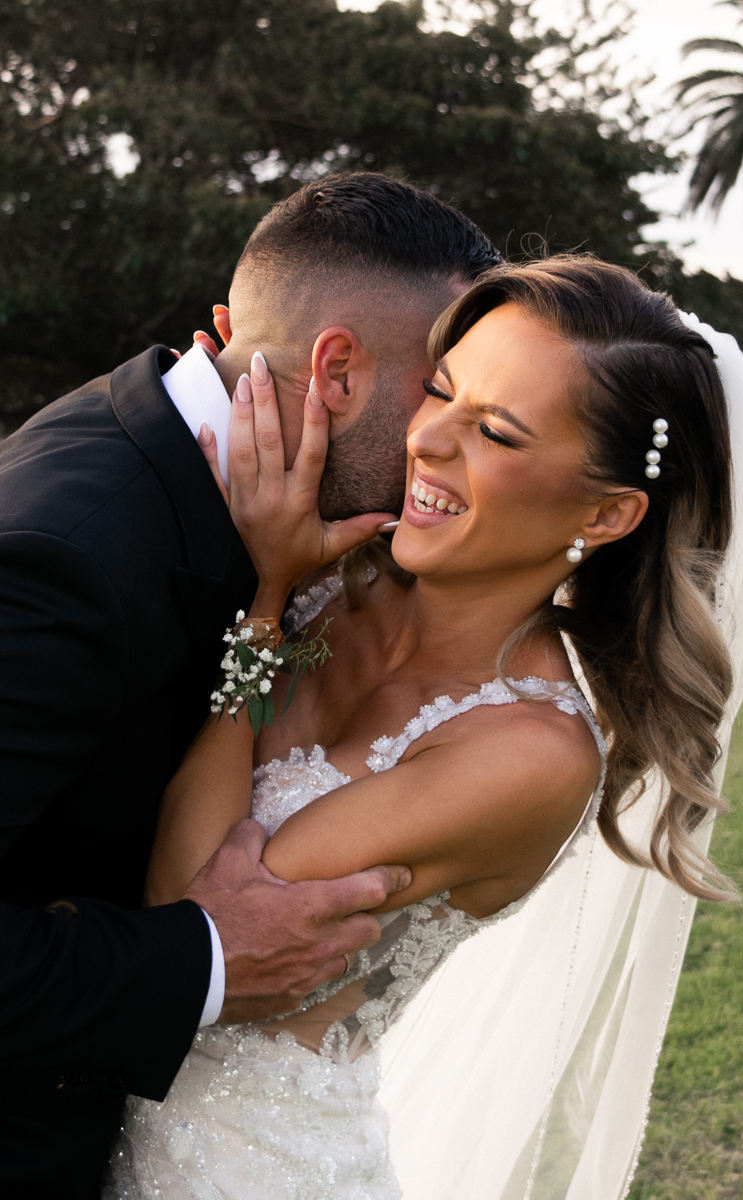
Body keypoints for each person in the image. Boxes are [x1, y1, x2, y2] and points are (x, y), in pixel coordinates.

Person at [105, 255, 743, 1200]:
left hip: (247, 1171)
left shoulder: (527, 755)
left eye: (496, 431)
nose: (426, 438)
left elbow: (194, 913)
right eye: (442, 390)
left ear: (608, 512)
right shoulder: (341, 568)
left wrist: (262, 601)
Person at [0, 173, 502, 1200]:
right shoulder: (70, 558)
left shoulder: (235, 504)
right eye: (442, 388)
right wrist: (205, 957)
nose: (448, 436)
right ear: (337, 371)